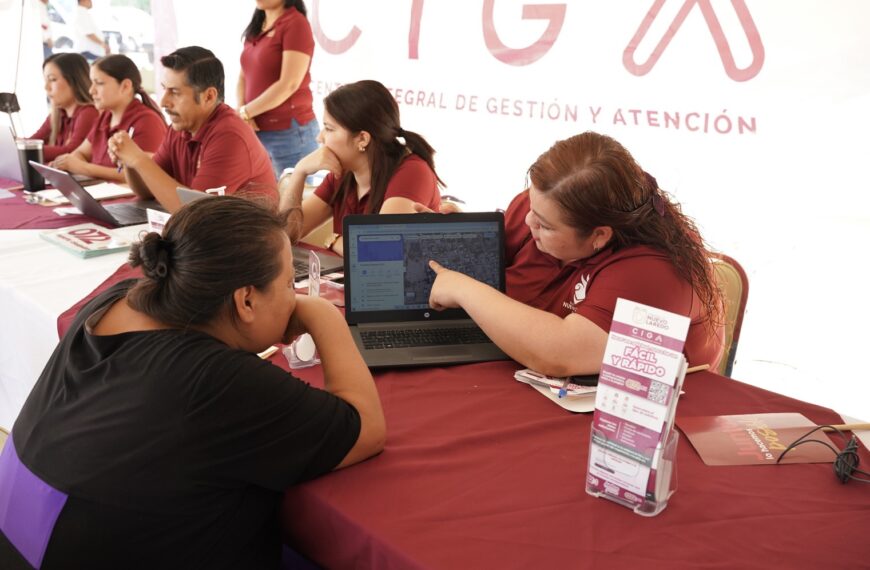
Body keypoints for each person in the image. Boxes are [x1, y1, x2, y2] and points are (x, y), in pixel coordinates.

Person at [0, 196, 385, 569]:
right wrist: (324, 316)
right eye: (288, 284)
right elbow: (364, 427)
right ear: (245, 301)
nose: (294, 296)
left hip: (20, 539)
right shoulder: (215, 379)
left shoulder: (116, 300)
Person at [426, 132, 725, 375]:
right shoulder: (548, 206)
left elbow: (561, 355)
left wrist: (464, 289)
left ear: (599, 235)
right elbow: (486, 264)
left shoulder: (656, 271)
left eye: (545, 225)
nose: (528, 221)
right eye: (532, 207)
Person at [279, 79, 444, 255]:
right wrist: (299, 172)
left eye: (329, 128)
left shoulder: (413, 172)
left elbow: (379, 252)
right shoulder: (342, 172)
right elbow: (284, 235)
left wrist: (333, 240)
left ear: (362, 139)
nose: (320, 137)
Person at [109, 46, 278, 213]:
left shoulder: (230, 136)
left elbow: (194, 213)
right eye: (164, 89)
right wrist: (129, 162)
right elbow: (148, 190)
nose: (163, 102)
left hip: (245, 236)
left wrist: (139, 159)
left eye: (175, 92)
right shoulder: (179, 128)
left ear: (209, 96)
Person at [51, 54, 166, 182]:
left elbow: (141, 174)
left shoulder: (147, 121)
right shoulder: (106, 116)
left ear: (125, 86)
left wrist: (84, 168)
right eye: (92, 83)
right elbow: (80, 153)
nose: (91, 91)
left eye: (99, 83)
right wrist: (75, 164)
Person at [238, 0, 319, 178]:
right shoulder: (258, 24)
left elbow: (289, 84)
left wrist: (246, 112)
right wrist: (242, 112)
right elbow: (243, 75)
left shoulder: (296, 24)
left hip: (289, 133)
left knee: (292, 202)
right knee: (264, 200)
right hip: (256, 130)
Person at [29, 53, 99, 162]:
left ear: (74, 81)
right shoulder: (57, 115)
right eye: (45, 80)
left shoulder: (89, 113)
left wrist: (24, 149)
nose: (46, 87)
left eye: (52, 79)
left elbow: (72, 151)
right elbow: (32, 142)